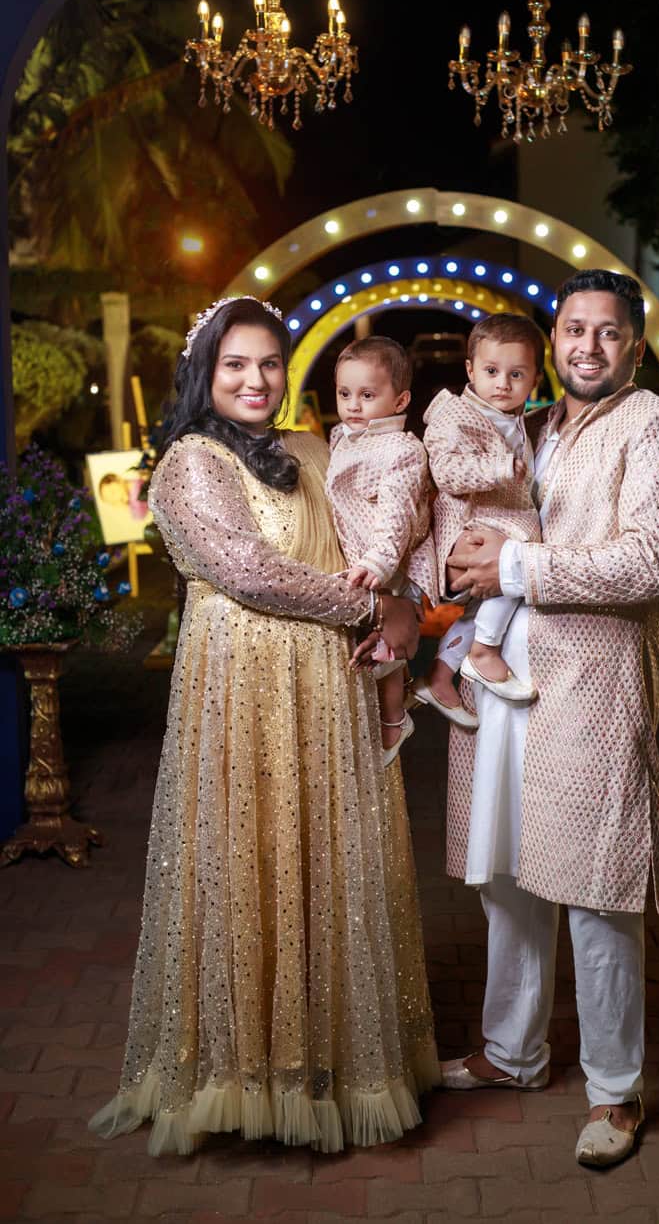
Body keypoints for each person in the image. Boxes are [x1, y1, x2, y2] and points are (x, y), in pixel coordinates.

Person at [89, 296, 439, 1157]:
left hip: (325, 683)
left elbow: (392, 518)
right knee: (254, 856)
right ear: (205, 371)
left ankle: (338, 1057)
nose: (255, 379)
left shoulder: (313, 448)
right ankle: (250, 1073)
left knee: (329, 854)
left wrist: (408, 596)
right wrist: (378, 603)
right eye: (235, 364)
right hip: (241, 691)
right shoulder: (189, 463)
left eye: (270, 363)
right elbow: (252, 573)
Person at [441, 269, 659, 1168]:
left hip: (590, 692)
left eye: (606, 333)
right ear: (551, 342)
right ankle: (512, 1054)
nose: (585, 347)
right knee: (506, 878)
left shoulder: (655, 427)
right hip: (501, 684)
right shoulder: (532, 425)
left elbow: (647, 563)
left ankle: (614, 1092)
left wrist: (512, 565)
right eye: (571, 330)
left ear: (632, 346)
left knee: (596, 891)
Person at [411, 314, 544, 727]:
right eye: (491, 371)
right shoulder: (456, 416)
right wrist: (502, 468)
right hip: (469, 522)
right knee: (515, 564)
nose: (502, 383)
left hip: (497, 517)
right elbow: (448, 472)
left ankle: (439, 675)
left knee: (481, 604)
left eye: (516, 374)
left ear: (535, 378)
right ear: (470, 370)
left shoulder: (520, 417)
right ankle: (484, 650)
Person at [325, 336, 437, 764]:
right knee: (370, 644)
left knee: (386, 644)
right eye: (344, 394)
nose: (353, 405)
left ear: (400, 399)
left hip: (394, 562)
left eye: (368, 395)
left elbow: (398, 513)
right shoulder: (344, 437)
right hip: (360, 556)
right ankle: (389, 709)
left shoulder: (402, 449)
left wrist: (380, 561)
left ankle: (394, 716)